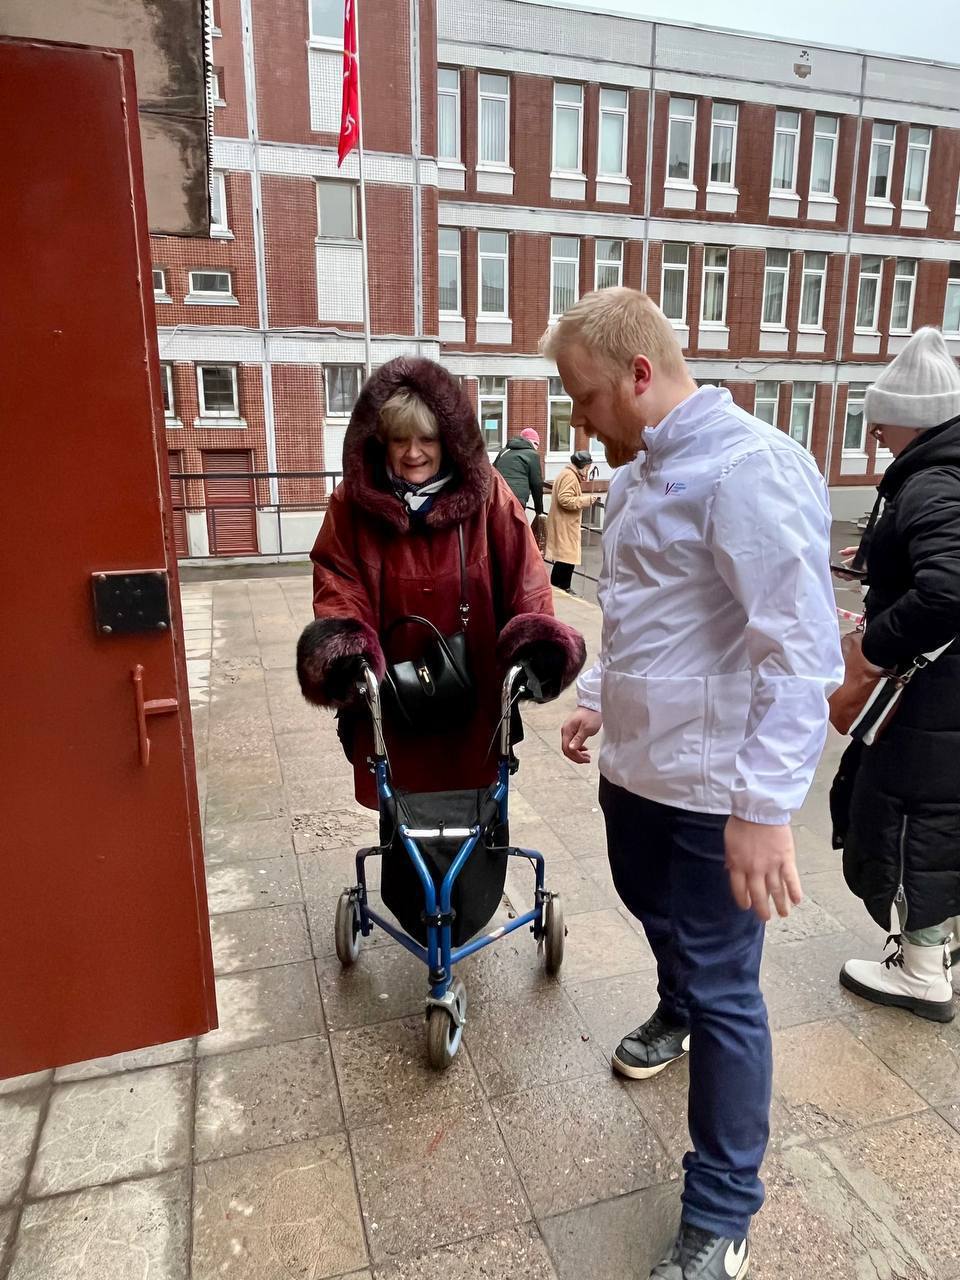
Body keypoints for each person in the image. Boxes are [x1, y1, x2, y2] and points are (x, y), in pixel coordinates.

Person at [547, 288, 842, 1280]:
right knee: (651, 908)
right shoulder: (636, 476)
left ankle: (720, 1211)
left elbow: (799, 651)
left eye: (586, 397)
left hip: (713, 788)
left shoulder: (750, 468)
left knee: (726, 988)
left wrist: (763, 808)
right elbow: (635, 611)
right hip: (637, 769)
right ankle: (675, 1005)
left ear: (639, 374)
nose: (580, 421)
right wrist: (597, 696)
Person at [295, 357, 586, 809]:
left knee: (480, 818)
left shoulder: (488, 494)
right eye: (400, 439)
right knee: (400, 821)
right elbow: (339, 582)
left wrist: (536, 645)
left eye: (427, 438)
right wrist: (346, 650)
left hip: (476, 697)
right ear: (382, 441)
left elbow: (526, 578)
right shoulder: (352, 504)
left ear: (448, 439)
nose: (413, 453)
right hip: (390, 697)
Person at [834, 328, 960, 1022]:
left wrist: (873, 647)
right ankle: (935, 954)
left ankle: (921, 974)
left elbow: (947, 590)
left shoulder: (932, 481)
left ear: (915, 418)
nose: (876, 435)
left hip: (932, 699)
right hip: (947, 694)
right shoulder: (947, 475)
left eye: (882, 423)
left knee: (915, 818)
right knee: (940, 815)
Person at [545, 449, 599, 594]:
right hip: (565, 524)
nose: (587, 471)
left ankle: (560, 588)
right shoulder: (569, 476)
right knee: (566, 558)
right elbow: (564, 499)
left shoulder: (568, 474)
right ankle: (562, 588)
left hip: (565, 523)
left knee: (565, 558)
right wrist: (586, 500)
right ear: (581, 466)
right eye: (587, 468)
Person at [493, 427, 545, 516]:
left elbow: (493, 471)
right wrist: (539, 510)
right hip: (516, 500)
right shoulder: (532, 454)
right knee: (514, 524)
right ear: (532, 442)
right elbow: (536, 484)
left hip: (498, 496)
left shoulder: (504, 451)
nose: (536, 448)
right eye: (536, 444)